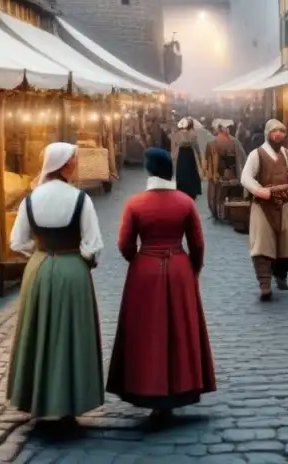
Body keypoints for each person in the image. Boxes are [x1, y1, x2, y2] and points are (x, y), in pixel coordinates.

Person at [106, 149, 217, 418]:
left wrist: (139, 260)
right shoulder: (185, 202)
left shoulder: (135, 203)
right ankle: (181, 385)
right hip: (179, 266)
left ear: (149, 171)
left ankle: (146, 386)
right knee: (179, 328)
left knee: (147, 331)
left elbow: (124, 243)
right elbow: (198, 244)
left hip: (144, 270)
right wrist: (193, 268)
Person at [7, 143, 104, 426]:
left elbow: (17, 242)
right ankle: (68, 403)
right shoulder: (80, 199)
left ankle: (36, 397)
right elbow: (93, 244)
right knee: (70, 335)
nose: (76, 165)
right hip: (72, 267)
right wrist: (84, 260)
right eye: (74, 161)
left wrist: (38, 253)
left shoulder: (30, 199)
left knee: (38, 332)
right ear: (63, 165)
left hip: (38, 269)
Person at [239, 119, 288, 300]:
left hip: (285, 205)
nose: (278, 135)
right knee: (262, 246)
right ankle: (265, 285)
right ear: (268, 134)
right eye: (274, 131)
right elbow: (246, 177)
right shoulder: (256, 154)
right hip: (263, 206)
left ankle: (281, 275)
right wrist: (260, 191)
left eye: (282, 131)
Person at [205, 119, 247, 220]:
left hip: (218, 173)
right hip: (233, 172)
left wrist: (209, 172)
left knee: (216, 194)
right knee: (232, 193)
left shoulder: (212, 143)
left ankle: (217, 213)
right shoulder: (235, 142)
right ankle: (230, 213)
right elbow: (242, 158)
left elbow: (208, 160)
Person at [171, 117, 205, 201]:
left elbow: (174, 145)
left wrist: (174, 156)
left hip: (181, 154)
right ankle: (191, 191)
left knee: (181, 172)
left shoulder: (177, 134)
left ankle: (181, 190)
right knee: (191, 172)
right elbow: (196, 146)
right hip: (190, 154)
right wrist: (199, 156)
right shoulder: (193, 133)